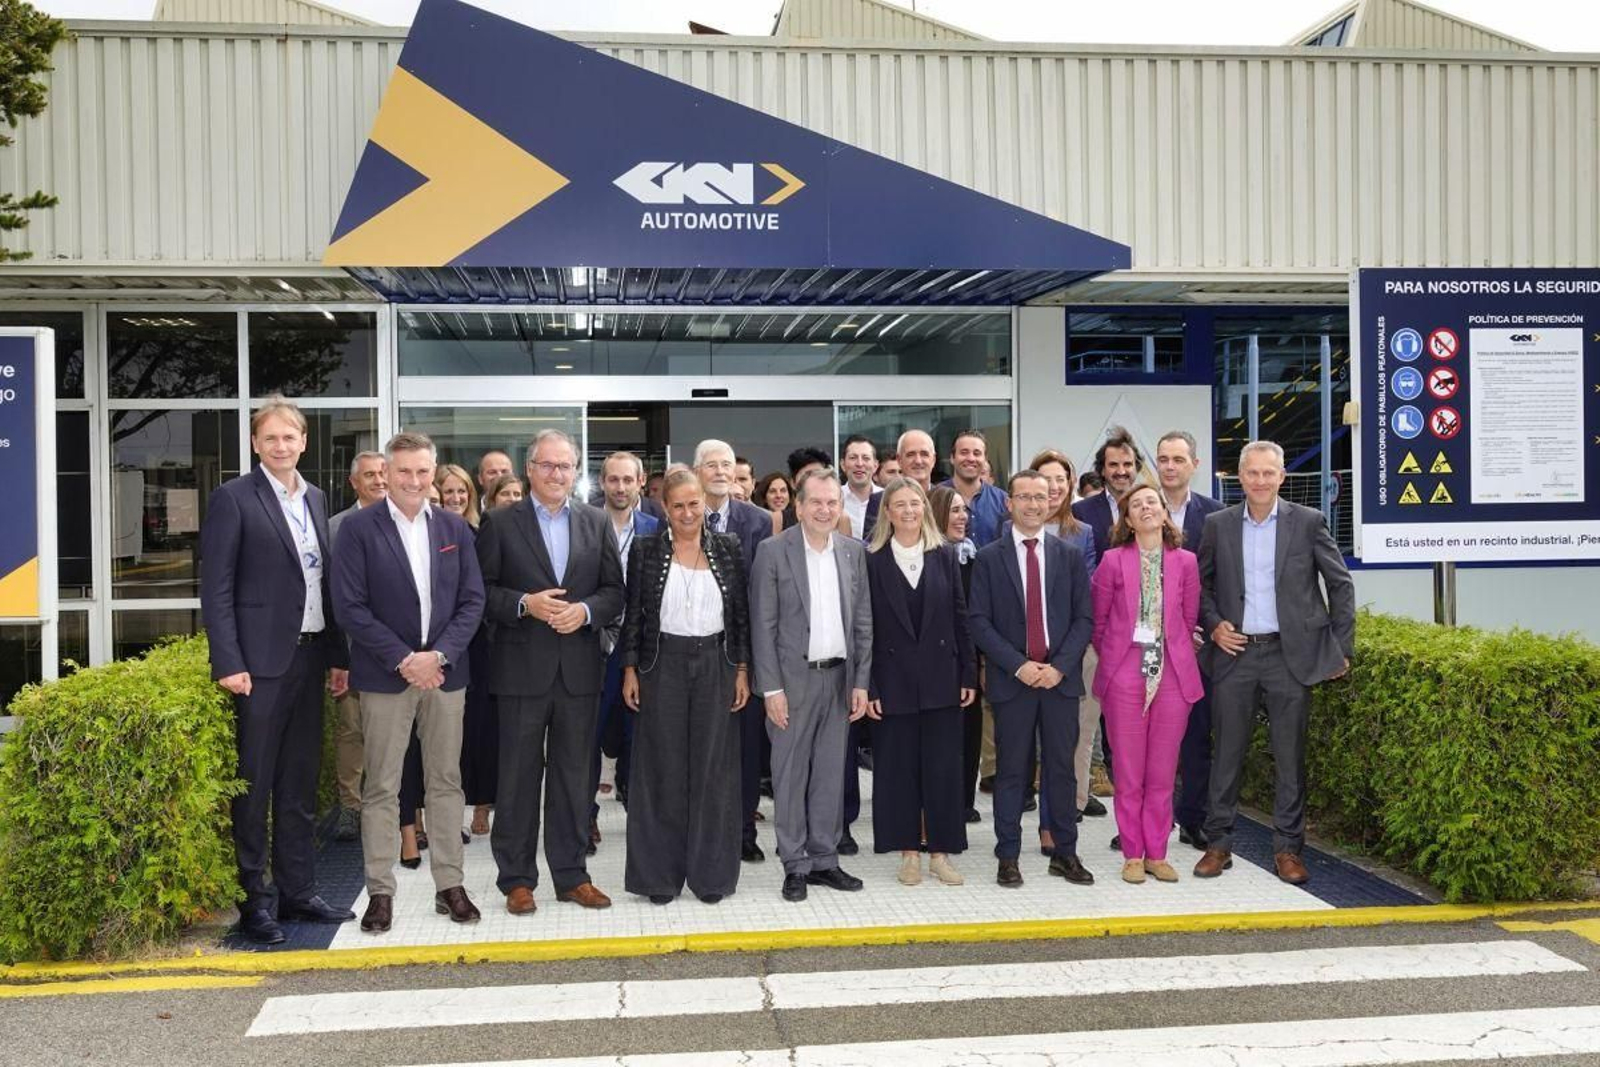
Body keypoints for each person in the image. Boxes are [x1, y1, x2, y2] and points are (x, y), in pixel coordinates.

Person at [199, 396, 352, 944]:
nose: (281, 446)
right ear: (255, 443)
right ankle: (255, 904)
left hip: (310, 658)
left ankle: (298, 891)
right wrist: (229, 661)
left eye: (290, 437)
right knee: (255, 786)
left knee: (297, 784)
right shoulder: (233, 499)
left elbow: (322, 584)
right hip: (259, 667)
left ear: (304, 442)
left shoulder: (315, 497)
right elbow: (215, 588)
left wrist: (337, 657)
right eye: (271, 438)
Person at [332, 432, 486, 933]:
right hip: (384, 677)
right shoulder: (357, 529)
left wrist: (436, 656)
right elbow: (350, 607)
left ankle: (450, 886)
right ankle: (380, 892)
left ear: (434, 470)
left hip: (445, 674)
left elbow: (472, 601)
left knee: (446, 783)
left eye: (423, 472)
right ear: (387, 473)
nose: (414, 481)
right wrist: (404, 659)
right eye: (404, 472)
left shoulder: (452, 528)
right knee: (382, 786)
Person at [477, 429, 624, 914]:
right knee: (517, 778)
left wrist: (583, 612)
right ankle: (516, 880)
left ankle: (571, 875)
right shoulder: (499, 522)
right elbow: (482, 593)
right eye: (547, 465)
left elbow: (613, 592)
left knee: (575, 777)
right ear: (530, 469)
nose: (557, 474)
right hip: (521, 671)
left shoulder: (596, 521)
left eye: (565, 466)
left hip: (579, 670)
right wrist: (525, 604)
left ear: (575, 471)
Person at [1196, 440, 1356, 886]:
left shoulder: (1307, 523)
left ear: (1282, 477)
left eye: (1269, 473)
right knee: (1226, 754)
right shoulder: (1218, 525)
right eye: (1252, 473)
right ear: (1239, 477)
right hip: (1236, 655)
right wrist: (1213, 624)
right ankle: (1218, 844)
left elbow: (1339, 583)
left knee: (1290, 757)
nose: (1261, 481)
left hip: (1291, 656)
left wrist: (1340, 648)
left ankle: (1288, 850)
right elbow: (1201, 586)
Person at [620, 470, 751, 904]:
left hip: (717, 663)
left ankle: (711, 878)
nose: (688, 512)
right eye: (678, 505)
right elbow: (635, 616)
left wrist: (742, 669)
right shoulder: (645, 550)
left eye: (694, 503)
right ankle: (658, 879)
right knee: (661, 771)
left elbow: (740, 616)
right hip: (662, 667)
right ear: (664, 508)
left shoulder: (729, 548)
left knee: (715, 771)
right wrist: (630, 669)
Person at [750, 467, 873, 902]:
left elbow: (862, 621)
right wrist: (771, 690)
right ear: (798, 506)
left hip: (838, 679)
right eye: (815, 502)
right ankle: (795, 863)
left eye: (831, 503)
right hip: (792, 683)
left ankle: (824, 858)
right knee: (789, 775)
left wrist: (861, 682)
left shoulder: (851, 551)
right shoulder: (772, 551)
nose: (824, 510)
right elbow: (762, 626)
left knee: (829, 775)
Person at [968, 469, 1094, 888]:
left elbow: (1084, 618)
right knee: (1011, 774)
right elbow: (979, 623)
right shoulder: (988, 558)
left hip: (1060, 681)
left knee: (1061, 769)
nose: (1033, 504)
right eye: (1024, 497)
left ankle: (1065, 853)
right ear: (1010, 503)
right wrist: (1019, 666)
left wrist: (1058, 667)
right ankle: (1008, 857)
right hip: (1013, 680)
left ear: (1053, 501)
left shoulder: (1070, 556)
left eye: (1041, 497)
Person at [865, 478, 975, 886]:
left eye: (915, 503)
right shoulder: (872, 560)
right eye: (900, 504)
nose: (909, 511)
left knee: (944, 770)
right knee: (897, 771)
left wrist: (967, 672)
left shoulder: (946, 556)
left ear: (925, 509)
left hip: (941, 680)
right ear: (888, 512)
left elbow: (960, 619)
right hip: (891, 682)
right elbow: (866, 630)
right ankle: (908, 853)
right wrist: (870, 685)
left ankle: (941, 854)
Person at [1091, 484, 1203, 884]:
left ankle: (1158, 852)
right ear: (1127, 519)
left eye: (1151, 502)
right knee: (1128, 769)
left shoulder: (1186, 562)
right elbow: (1098, 623)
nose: (1145, 509)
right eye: (1135, 505)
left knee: (1161, 770)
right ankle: (1132, 853)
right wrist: (1120, 658)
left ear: (1164, 511)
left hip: (1172, 673)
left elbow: (1188, 620)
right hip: (1124, 673)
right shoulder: (1111, 561)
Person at [695, 439, 777, 863]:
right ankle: (704, 828)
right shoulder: (681, 515)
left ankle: (745, 829)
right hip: (691, 650)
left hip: (742, 650)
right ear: (697, 472)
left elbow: (762, 592)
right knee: (701, 745)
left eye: (727, 464)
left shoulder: (759, 520)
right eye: (711, 465)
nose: (721, 472)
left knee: (744, 748)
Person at [1028, 448, 1104, 847]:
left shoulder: (1084, 532)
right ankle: (1039, 811)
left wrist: (1064, 650)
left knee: (1078, 731)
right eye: (1046, 478)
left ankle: (1067, 810)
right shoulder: (1011, 527)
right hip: (1026, 653)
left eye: (1061, 479)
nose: (1054, 486)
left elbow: (1085, 592)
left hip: (1076, 648)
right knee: (1036, 737)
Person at [1154, 429, 1225, 849]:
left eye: (1178, 459)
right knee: (1147, 742)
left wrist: (1206, 626)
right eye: (1163, 459)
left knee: (1196, 739)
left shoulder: (1216, 516)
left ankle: (1192, 818)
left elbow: (1219, 580)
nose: (1170, 467)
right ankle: (1149, 822)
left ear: (1194, 465)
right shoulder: (1138, 510)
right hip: (1145, 648)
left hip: (1198, 648)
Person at [593, 451, 660, 829]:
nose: (620, 487)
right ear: (602, 482)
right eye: (613, 480)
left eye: (627, 480)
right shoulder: (583, 522)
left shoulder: (654, 527)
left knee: (640, 734)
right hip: (593, 645)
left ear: (640, 482)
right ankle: (585, 815)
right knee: (589, 733)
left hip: (639, 645)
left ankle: (639, 811)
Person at [327, 450, 387, 842]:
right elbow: (328, 597)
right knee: (352, 732)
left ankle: (393, 812)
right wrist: (337, 657)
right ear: (354, 482)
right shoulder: (334, 528)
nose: (379, 481)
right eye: (370, 475)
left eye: (383, 473)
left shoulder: (406, 521)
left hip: (396, 654)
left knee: (394, 735)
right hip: (351, 652)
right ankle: (351, 807)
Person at [929, 486, 983, 824]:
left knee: (970, 731)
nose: (962, 517)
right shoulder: (927, 557)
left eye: (965, 511)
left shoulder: (975, 556)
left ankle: (964, 801)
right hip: (935, 662)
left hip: (968, 659)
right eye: (954, 510)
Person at [938, 430, 1010, 548]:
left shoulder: (1002, 500)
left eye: (977, 453)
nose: (971, 458)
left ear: (985, 459)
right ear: (952, 458)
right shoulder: (936, 497)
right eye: (964, 452)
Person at [840, 434, 881, 540]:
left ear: (875, 465)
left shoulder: (887, 498)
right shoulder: (833, 500)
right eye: (853, 458)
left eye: (866, 458)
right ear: (843, 464)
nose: (859, 464)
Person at [436, 464, 480, 529]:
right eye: (449, 492)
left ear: (469, 495)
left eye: (461, 491)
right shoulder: (429, 532)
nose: (456, 499)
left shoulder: (478, 532)